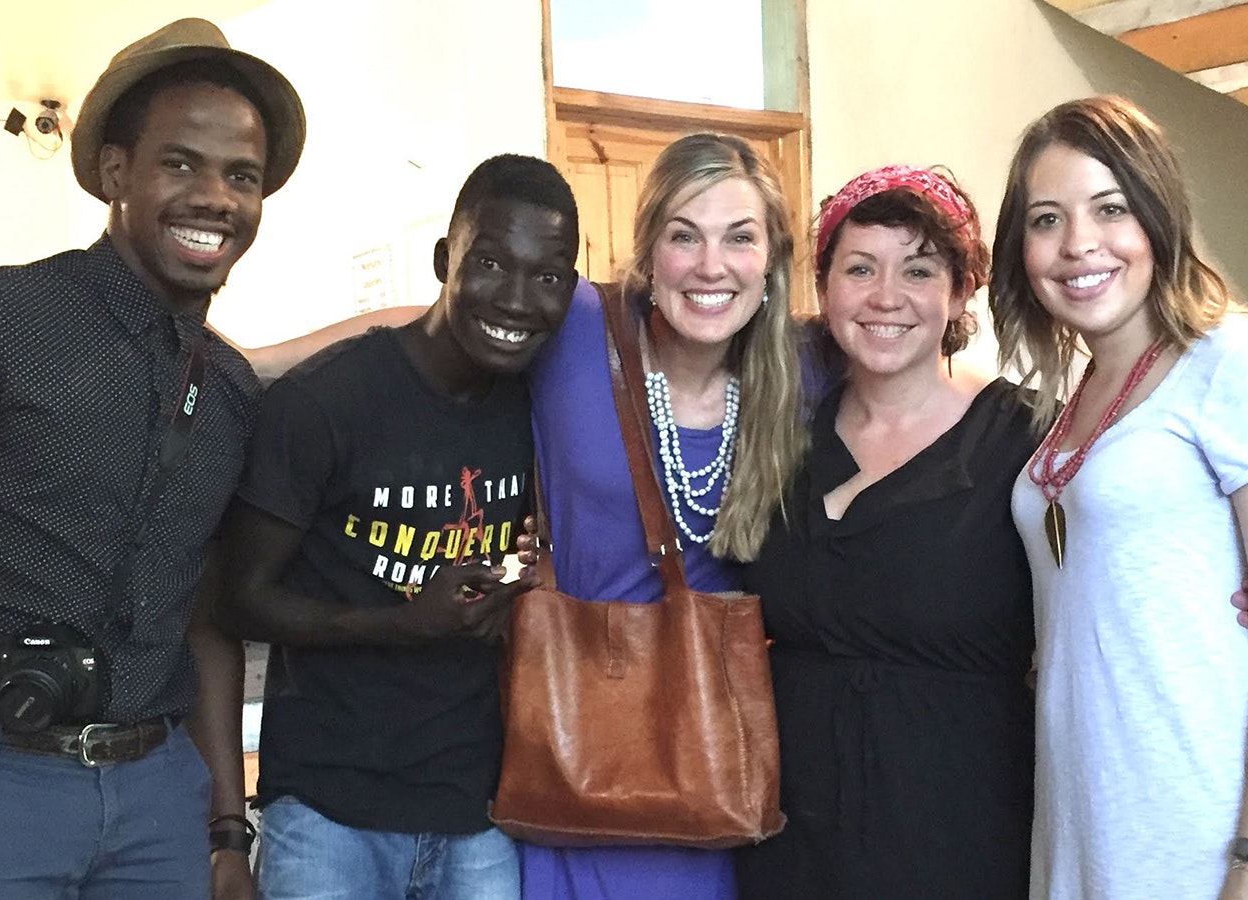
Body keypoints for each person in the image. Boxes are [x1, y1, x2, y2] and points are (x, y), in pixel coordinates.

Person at [0, 18, 305, 900]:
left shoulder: (232, 391)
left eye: (242, 177)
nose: (215, 197)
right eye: (181, 163)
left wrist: (224, 830)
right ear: (117, 173)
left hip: (160, 796)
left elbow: (204, 622)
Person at [990, 95, 1248, 899]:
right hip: (1093, 827)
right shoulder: (1072, 396)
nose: (1079, 243)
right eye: (1047, 220)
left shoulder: (1240, 363)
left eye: (1110, 209)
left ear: (1158, 215)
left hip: (1210, 834)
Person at [213, 154, 579, 900]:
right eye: (490, 264)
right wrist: (405, 622)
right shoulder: (326, 404)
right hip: (328, 808)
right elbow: (237, 599)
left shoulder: (539, 404)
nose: (516, 300)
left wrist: (516, 590)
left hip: (479, 807)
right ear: (446, 261)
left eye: (546, 277)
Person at [514, 132, 807, 900]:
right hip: (566, 740)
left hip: (704, 762)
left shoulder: (803, 374)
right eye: (685, 235)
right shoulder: (576, 324)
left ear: (772, 259)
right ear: (648, 252)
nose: (712, 266)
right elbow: (422, 335)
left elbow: (931, 387)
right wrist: (238, 357)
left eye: (740, 238)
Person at [734, 166, 1035, 898]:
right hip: (789, 838)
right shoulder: (780, 437)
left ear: (961, 291)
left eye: (919, 270)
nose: (886, 297)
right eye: (859, 268)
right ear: (824, 287)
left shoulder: (1026, 441)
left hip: (957, 837)